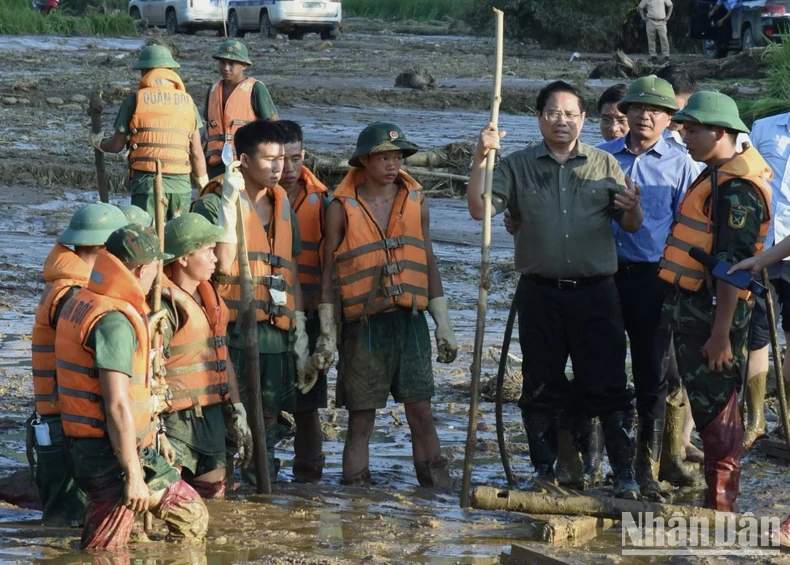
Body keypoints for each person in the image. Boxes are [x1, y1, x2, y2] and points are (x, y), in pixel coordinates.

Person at [466, 81, 644, 499]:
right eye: (553, 113)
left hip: (597, 293)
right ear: (539, 118)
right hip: (540, 293)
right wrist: (480, 157)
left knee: (608, 385)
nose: (561, 121)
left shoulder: (604, 165)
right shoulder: (515, 165)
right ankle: (545, 470)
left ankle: (623, 474)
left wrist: (635, 209)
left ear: (583, 119)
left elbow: (631, 225)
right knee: (540, 383)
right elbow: (478, 209)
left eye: (570, 114)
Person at [311, 122, 458, 487]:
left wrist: (443, 322)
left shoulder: (416, 201)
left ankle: (436, 491)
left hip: (409, 322)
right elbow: (329, 272)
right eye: (384, 158)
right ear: (364, 161)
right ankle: (355, 497)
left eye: (398, 157)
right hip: (363, 327)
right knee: (361, 418)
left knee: (421, 413)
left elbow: (427, 259)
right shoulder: (340, 208)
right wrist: (327, 334)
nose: (393, 165)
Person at [57, 224, 208, 549]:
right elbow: (118, 405)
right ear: (143, 267)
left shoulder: (86, 298)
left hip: (92, 448)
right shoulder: (113, 321)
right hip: (111, 455)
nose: (159, 272)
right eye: (158, 264)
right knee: (109, 550)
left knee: (111, 541)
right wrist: (134, 475)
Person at [658, 91, 772, 511]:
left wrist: (721, 334)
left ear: (720, 132)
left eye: (692, 130)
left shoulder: (736, 190)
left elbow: (732, 269)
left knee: (715, 408)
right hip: (696, 313)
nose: (684, 137)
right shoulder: (715, 174)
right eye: (683, 129)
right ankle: (717, 498)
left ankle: (721, 505)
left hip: (711, 318)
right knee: (710, 406)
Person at [193, 120, 313, 483]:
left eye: (282, 159)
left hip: (275, 333)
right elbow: (223, 265)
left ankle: (262, 484)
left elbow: (289, 270)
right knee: (234, 418)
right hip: (232, 332)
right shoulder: (214, 203)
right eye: (268, 159)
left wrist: (302, 329)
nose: (279, 167)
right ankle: (228, 490)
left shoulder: (282, 205)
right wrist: (230, 202)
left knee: (270, 421)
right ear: (243, 160)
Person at [597, 75, 699, 497]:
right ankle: (606, 464)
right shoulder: (599, 157)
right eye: (637, 107)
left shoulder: (682, 165)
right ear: (626, 112)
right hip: (600, 276)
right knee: (600, 370)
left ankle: (648, 467)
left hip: (653, 280)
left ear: (669, 117)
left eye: (655, 109)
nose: (644, 115)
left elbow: (687, 231)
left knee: (652, 374)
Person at [31, 202, 127, 526]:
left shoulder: (69, 286)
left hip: (60, 421)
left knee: (71, 525)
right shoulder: (69, 295)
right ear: (103, 249)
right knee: (65, 526)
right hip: (62, 426)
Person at [157, 213, 254, 499]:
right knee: (171, 499)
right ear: (183, 258)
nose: (215, 258)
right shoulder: (164, 305)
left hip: (210, 413)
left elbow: (222, 359)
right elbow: (149, 370)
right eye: (207, 250)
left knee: (215, 494)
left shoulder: (211, 300)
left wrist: (237, 410)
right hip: (174, 419)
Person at [90, 44, 208, 221]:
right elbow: (197, 152)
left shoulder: (135, 100)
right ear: (170, 71)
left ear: (144, 71)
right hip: (180, 188)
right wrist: (203, 186)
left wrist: (98, 142)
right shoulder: (188, 103)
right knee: (177, 243)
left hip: (146, 186)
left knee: (147, 243)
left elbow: (116, 145)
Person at [277, 120, 331, 482]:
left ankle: (308, 478)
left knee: (308, 404)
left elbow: (331, 267)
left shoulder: (325, 202)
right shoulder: (250, 199)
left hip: (309, 315)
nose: (289, 169)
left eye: (296, 159)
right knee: (262, 401)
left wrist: (327, 329)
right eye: (282, 160)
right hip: (265, 314)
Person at [204, 40, 279, 180]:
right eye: (222, 62)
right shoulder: (213, 90)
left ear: (244, 65)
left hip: (244, 161)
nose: (226, 68)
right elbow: (207, 129)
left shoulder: (255, 88)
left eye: (232, 63)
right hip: (215, 164)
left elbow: (274, 125)